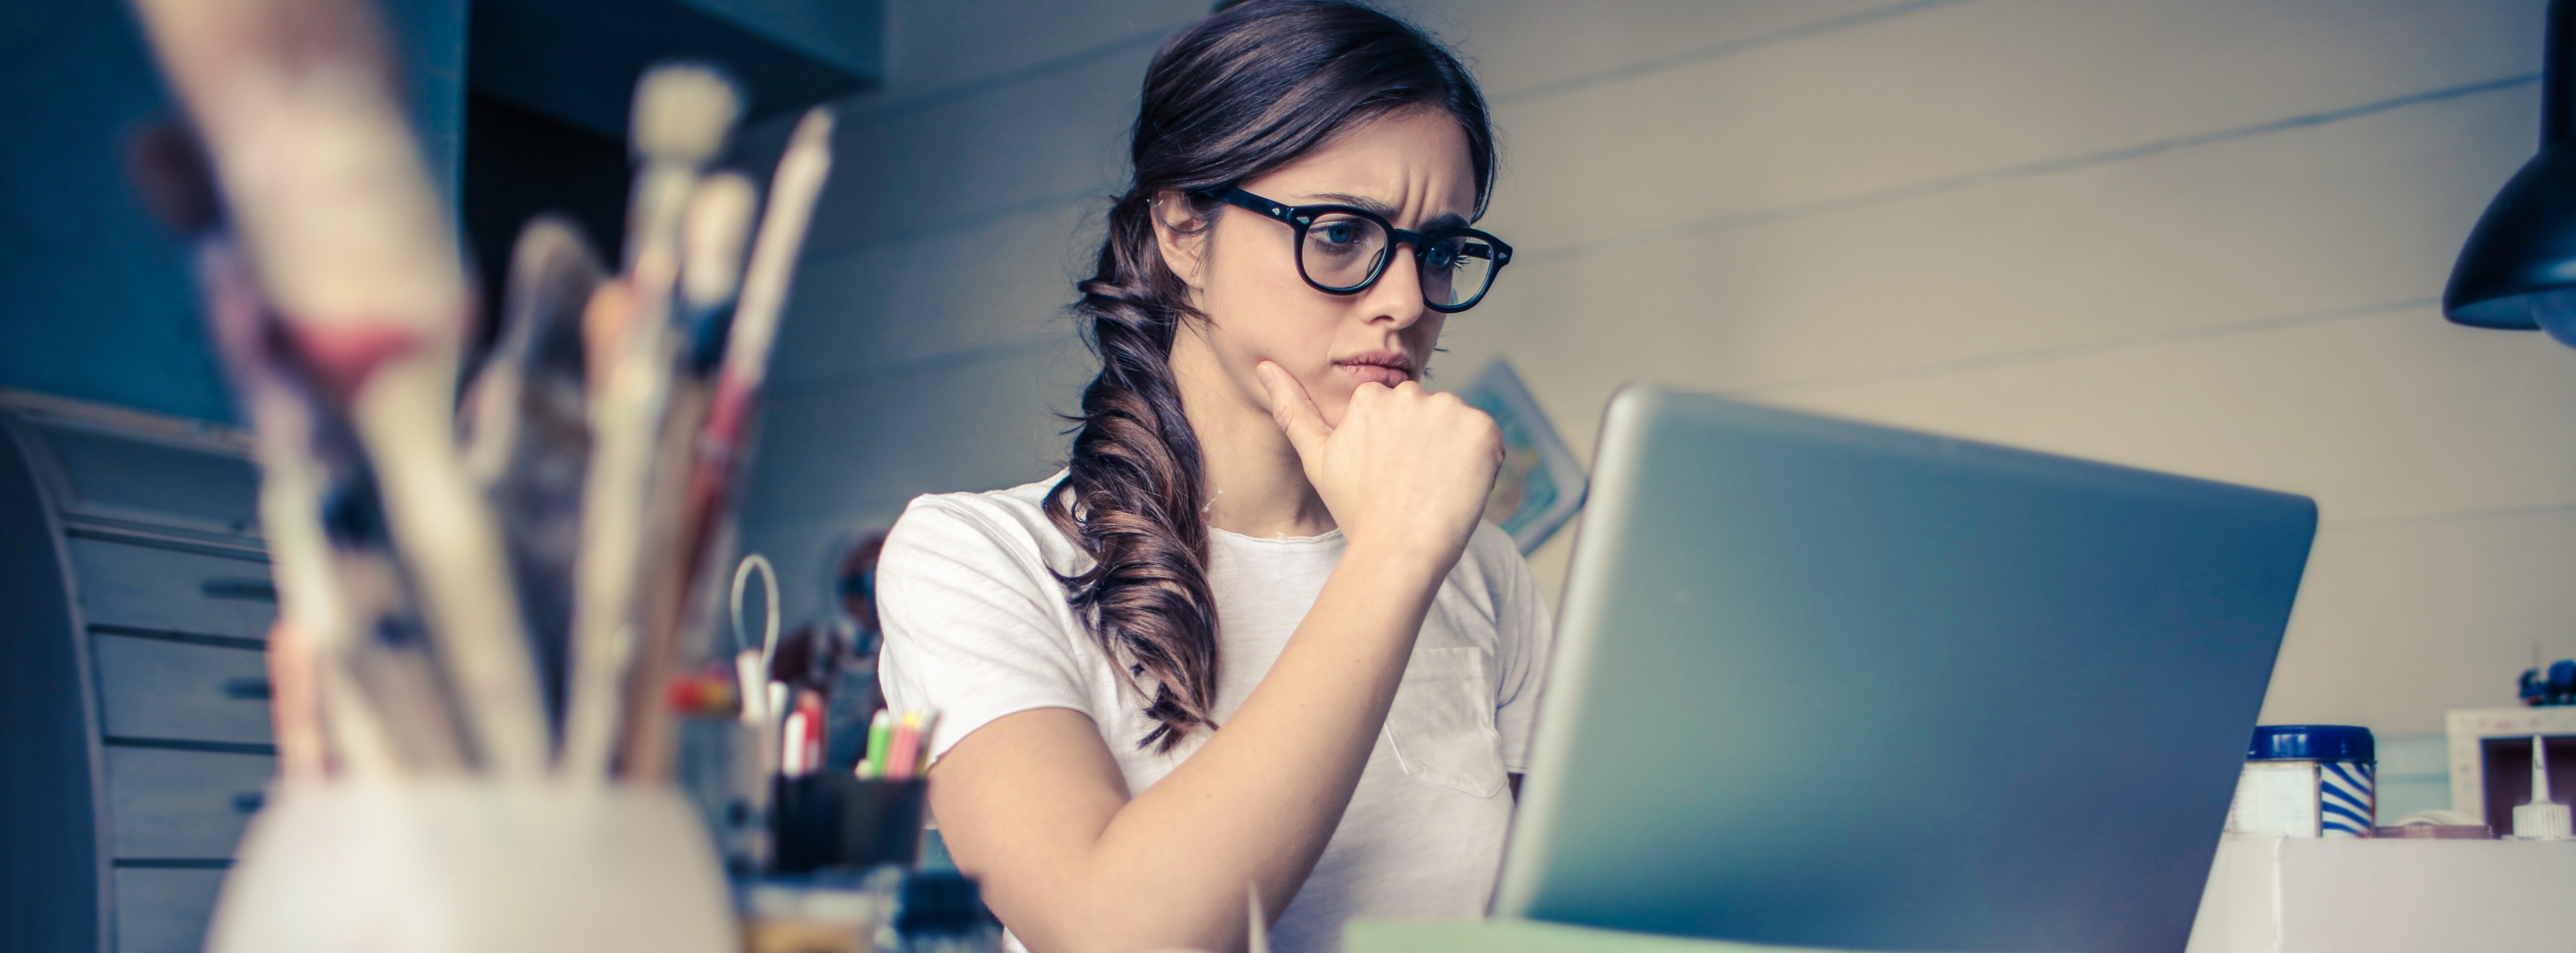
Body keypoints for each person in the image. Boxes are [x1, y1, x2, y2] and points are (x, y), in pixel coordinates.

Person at [874, 3, 1549, 950]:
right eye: (1340, 232)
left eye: (1436, 249)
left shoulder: (1482, 574)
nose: (1405, 302)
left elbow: (1548, 924)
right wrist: (1393, 557)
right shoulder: (977, 559)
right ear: (1185, 228)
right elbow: (1113, 932)